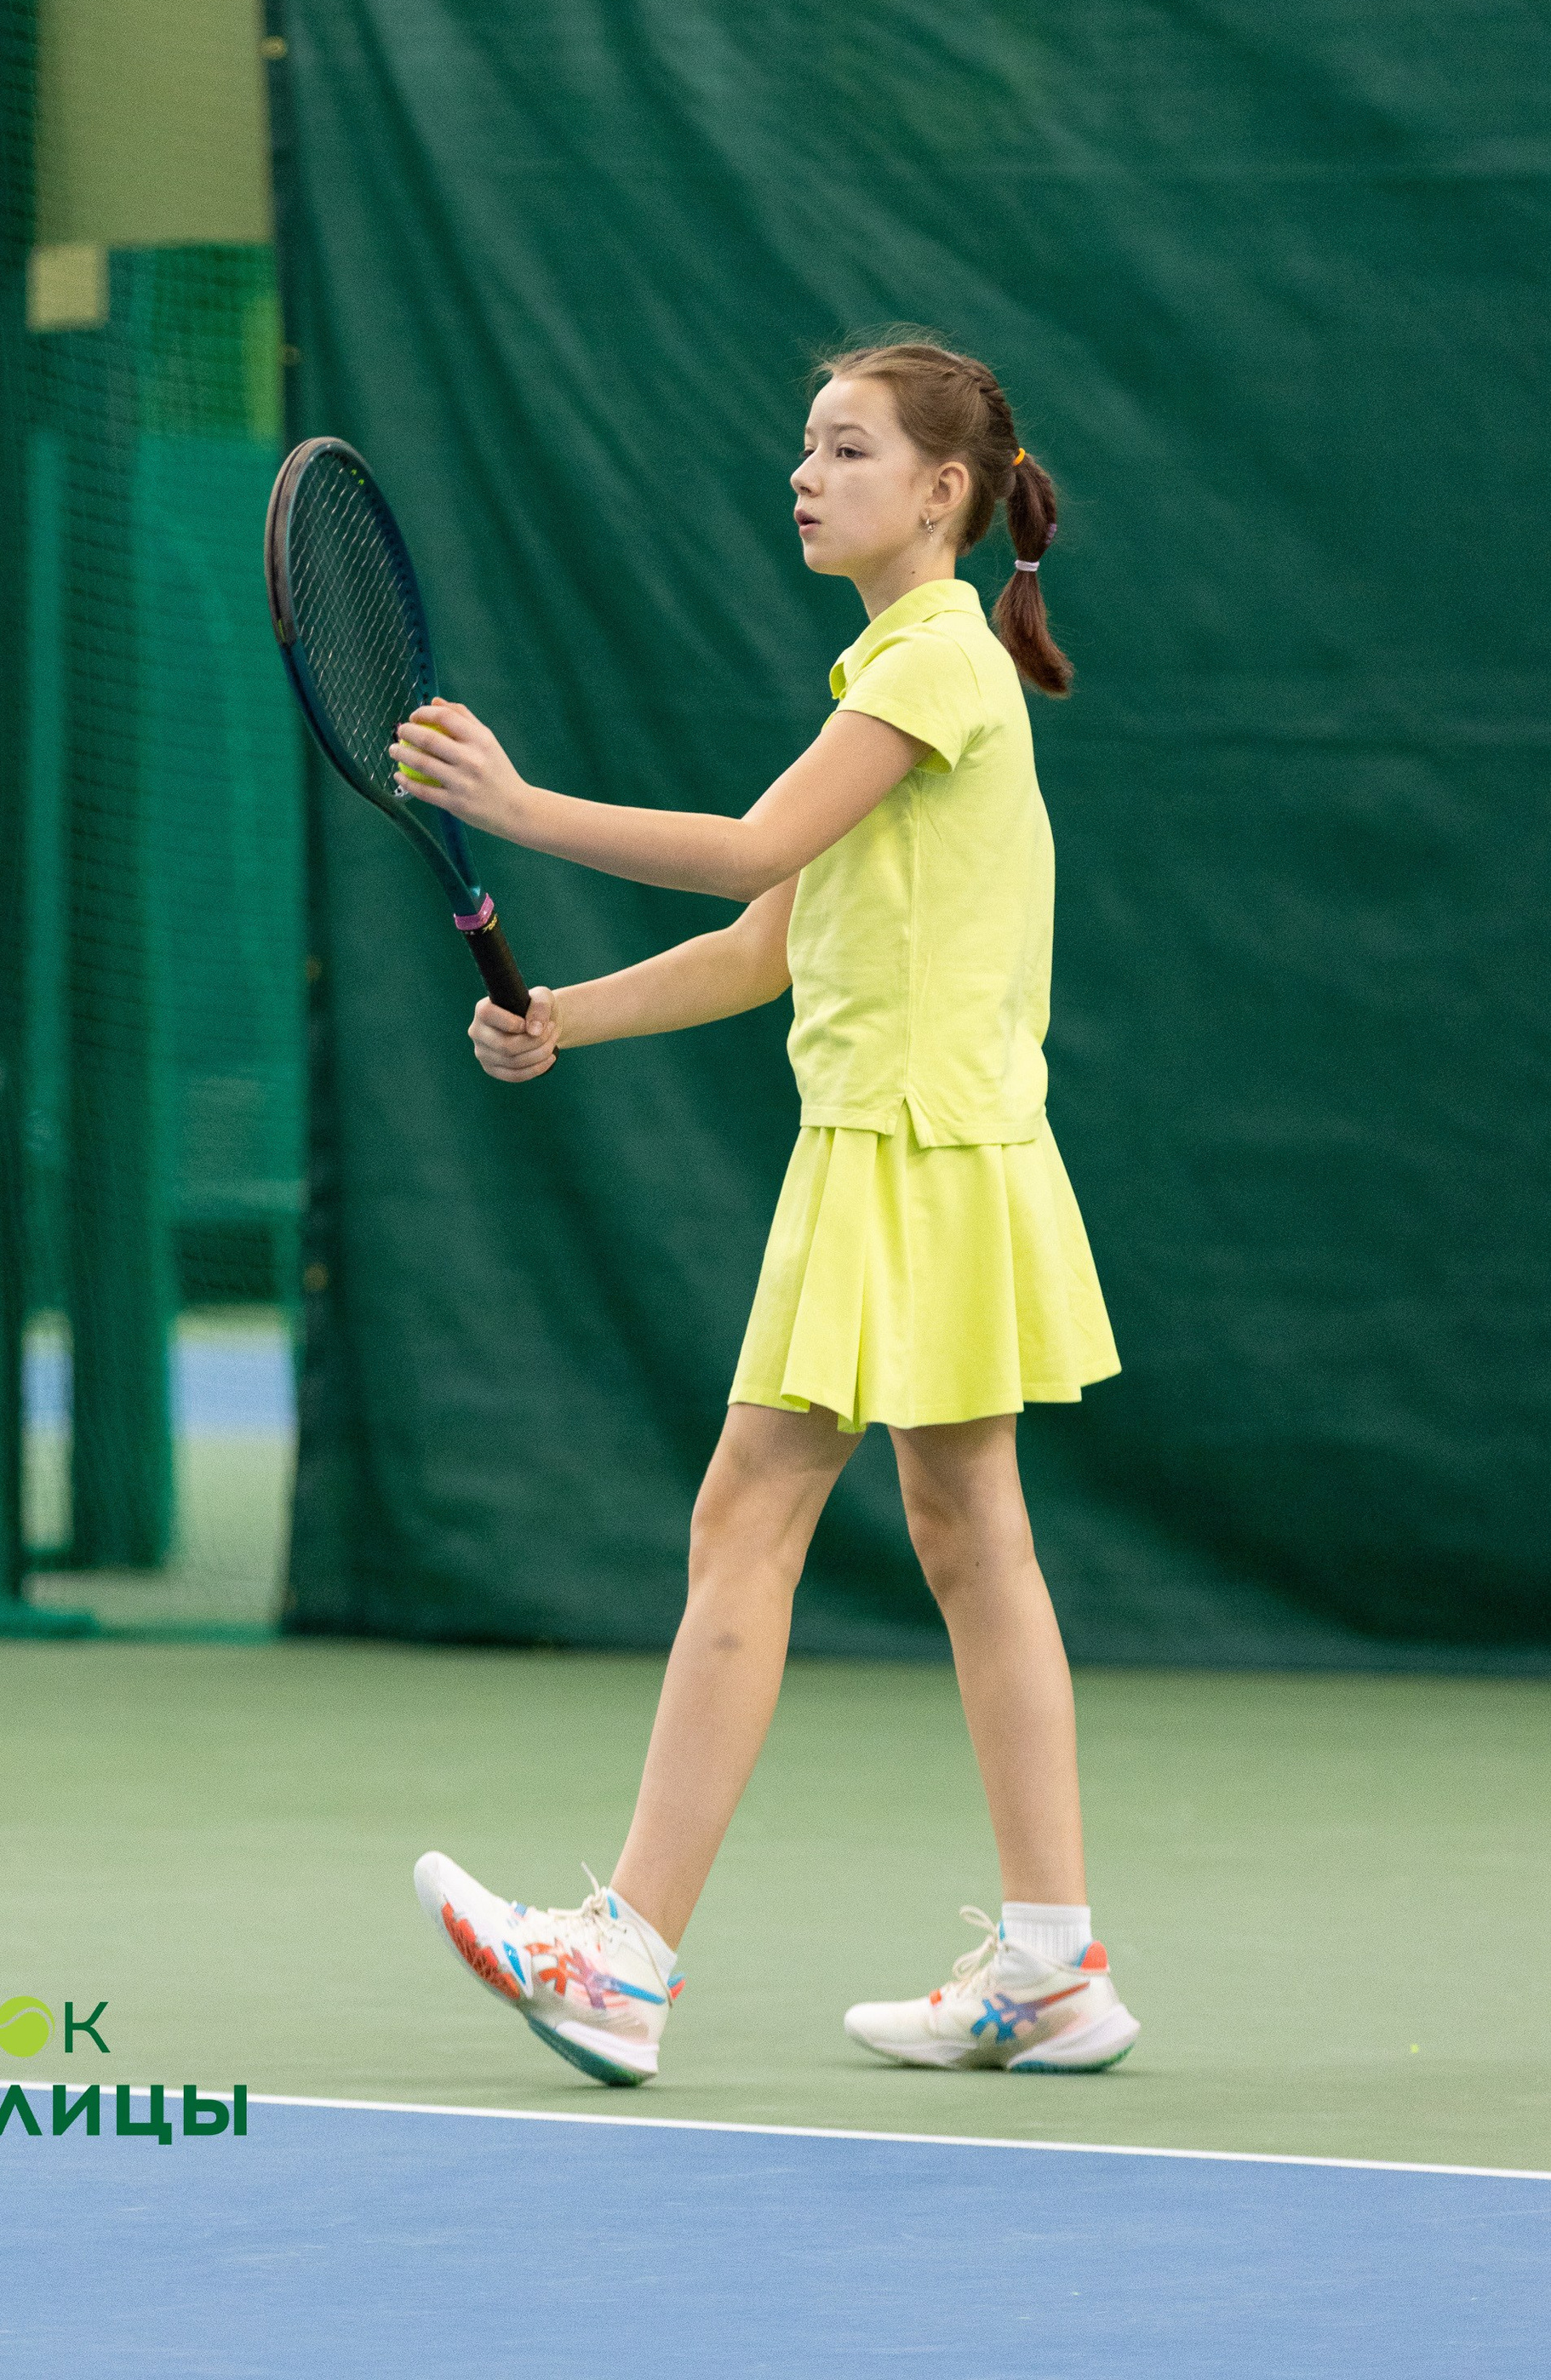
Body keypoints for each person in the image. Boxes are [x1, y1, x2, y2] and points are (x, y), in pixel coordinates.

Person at [392, 338, 1136, 2088]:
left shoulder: (933, 661)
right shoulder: (900, 670)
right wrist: (562, 1012)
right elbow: (758, 945)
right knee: (973, 1539)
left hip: (903, 1152)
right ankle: (1051, 1967)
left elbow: (741, 851)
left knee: (751, 1515)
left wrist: (515, 806)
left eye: (846, 447)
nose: (804, 473)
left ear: (941, 490)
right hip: (954, 1150)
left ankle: (620, 1956)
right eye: (804, 444)